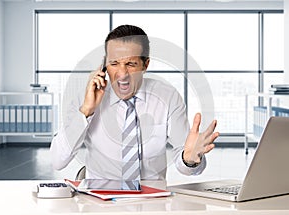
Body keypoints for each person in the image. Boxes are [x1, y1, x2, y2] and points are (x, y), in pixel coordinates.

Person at [50, 24, 219, 180]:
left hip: (151, 200)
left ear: (146, 64)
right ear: (104, 65)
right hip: (98, 200)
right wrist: (86, 111)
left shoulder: (167, 97)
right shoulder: (86, 98)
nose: (122, 74)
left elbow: (187, 163)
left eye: (130, 64)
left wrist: (189, 160)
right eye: (114, 63)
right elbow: (57, 161)